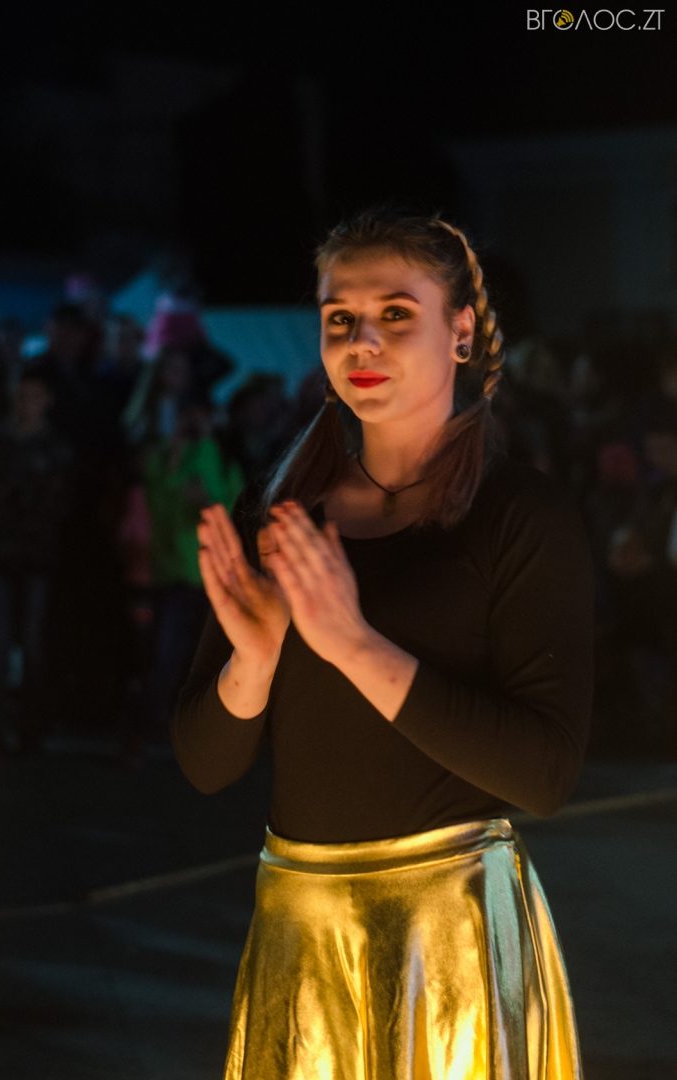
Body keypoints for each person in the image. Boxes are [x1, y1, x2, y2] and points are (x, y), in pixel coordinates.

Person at [171, 208, 594, 1079]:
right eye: (340, 318)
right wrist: (254, 661)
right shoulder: (284, 514)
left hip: (451, 935)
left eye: (395, 313)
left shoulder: (520, 515)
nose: (362, 341)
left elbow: (543, 775)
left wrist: (353, 645)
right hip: (300, 924)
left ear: (460, 331)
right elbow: (205, 766)